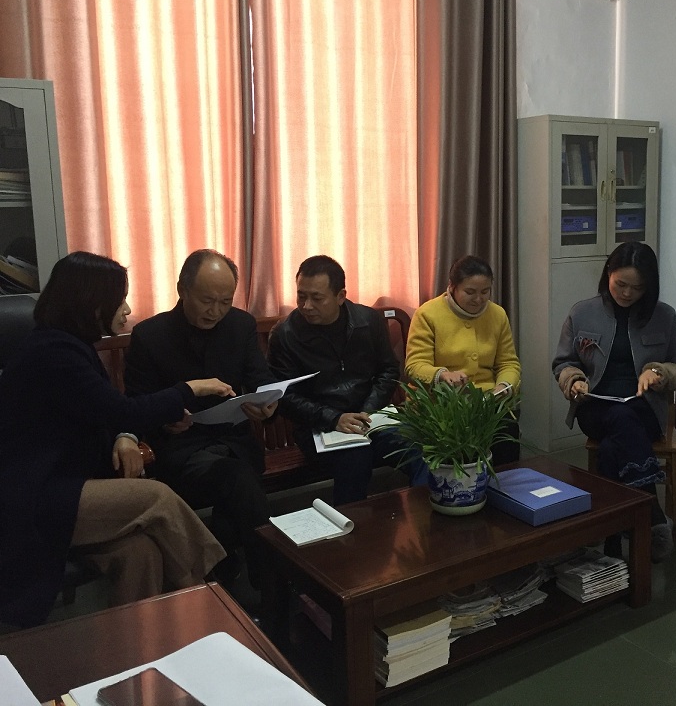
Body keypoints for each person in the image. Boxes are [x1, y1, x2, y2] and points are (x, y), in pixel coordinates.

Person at [0, 252, 228, 629]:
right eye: (119, 300)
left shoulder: (69, 345)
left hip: (65, 485)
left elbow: (102, 415)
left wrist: (122, 438)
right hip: (33, 497)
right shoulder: (54, 353)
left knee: (141, 552)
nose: (127, 309)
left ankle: (136, 645)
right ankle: (211, 600)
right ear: (91, 304)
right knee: (157, 498)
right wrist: (189, 389)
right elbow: (121, 411)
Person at [124, 249, 277, 591]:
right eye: (207, 301)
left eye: (225, 301)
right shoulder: (150, 335)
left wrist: (267, 404)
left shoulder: (240, 325)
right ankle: (271, 585)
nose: (216, 311)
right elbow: (136, 405)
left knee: (238, 481)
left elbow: (260, 379)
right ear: (183, 289)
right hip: (183, 449)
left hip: (234, 441)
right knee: (240, 481)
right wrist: (164, 421)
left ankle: (228, 572)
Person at [553, 242, 676, 561]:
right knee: (618, 418)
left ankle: (611, 533)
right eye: (621, 284)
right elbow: (563, 363)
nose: (628, 293)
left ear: (650, 287)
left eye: (638, 288)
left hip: (644, 407)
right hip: (595, 405)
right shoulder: (582, 312)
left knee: (612, 445)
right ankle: (652, 516)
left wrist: (658, 373)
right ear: (608, 275)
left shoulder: (664, 316)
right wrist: (574, 380)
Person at [267, 255, 425, 503]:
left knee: (420, 447)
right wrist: (333, 418)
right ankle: (352, 525)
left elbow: (388, 370)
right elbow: (285, 396)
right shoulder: (285, 334)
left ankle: (425, 517)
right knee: (355, 457)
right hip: (318, 427)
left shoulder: (368, 321)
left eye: (317, 298)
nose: (306, 305)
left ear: (340, 296)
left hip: (370, 418)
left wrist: (367, 411)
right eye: (301, 296)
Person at [405, 255, 522, 463]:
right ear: (452, 287)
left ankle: (504, 481)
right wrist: (442, 375)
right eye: (470, 292)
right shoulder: (427, 314)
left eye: (485, 292)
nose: (479, 299)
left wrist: (503, 386)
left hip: (486, 401)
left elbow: (508, 363)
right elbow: (414, 366)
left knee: (506, 432)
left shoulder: (497, 314)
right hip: (440, 404)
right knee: (456, 445)